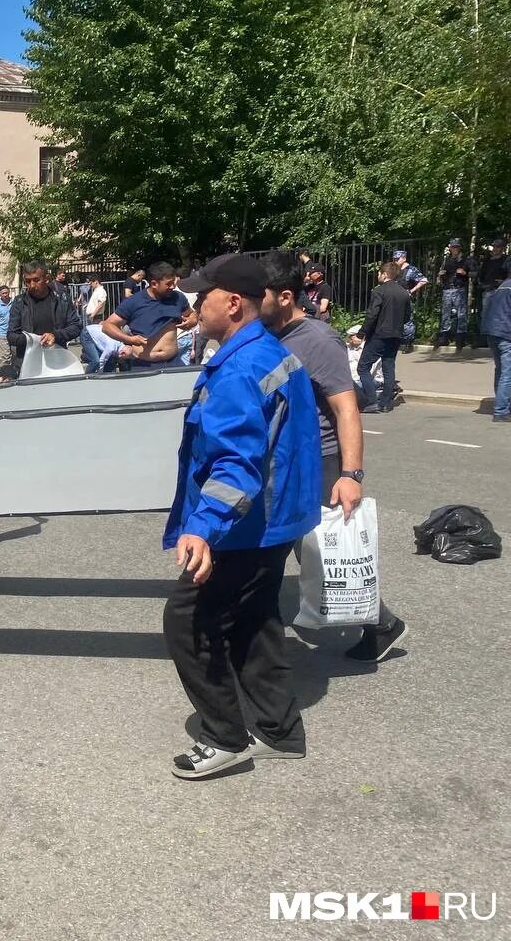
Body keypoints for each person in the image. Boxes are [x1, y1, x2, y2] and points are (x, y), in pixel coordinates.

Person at [160, 253, 320, 780]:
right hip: (275, 519)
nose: (193, 303)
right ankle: (278, 730)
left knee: (188, 619)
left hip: (244, 525)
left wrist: (202, 528)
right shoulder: (269, 352)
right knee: (255, 621)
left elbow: (237, 461)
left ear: (232, 303)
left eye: (201, 295)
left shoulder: (238, 366)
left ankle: (225, 736)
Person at [260, 252, 408, 663]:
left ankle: (381, 623)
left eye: (261, 295)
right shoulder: (267, 334)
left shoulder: (317, 339)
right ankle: (381, 623)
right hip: (285, 461)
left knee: (321, 552)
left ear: (286, 296)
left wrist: (351, 473)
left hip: (320, 461)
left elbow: (346, 408)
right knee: (309, 552)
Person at [101, 260, 195, 369]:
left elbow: (192, 314)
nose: (173, 287)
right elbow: (107, 326)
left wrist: (192, 320)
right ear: (154, 283)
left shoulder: (178, 298)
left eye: (174, 282)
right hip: (143, 365)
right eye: (168, 284)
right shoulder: (134, 302)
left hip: (173, 363)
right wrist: (129, 339)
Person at [6, 261, 82, 375]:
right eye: (28, 281)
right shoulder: (19, 302)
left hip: (57, 364)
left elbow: (76, 326)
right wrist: (33, 340)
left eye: (36, 280)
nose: (31, 285)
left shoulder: (62, 300)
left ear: (47, 278)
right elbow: (11, 335)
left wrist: (55, 336)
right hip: (28, 365)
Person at [359, 262, 411, 414]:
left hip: (379, 334)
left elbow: (372, 315)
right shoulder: (403, 293)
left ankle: (372, 401)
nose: (378, 275)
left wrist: (362, 333)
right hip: (396, 334)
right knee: (389, 367)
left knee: (363, 367)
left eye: (379, 273)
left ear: (385, 274)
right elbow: (407, 316)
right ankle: (386, 403)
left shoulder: (379, 291)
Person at [481, 273, 511, 422]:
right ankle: (501, 410)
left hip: (492, 332)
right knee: (508, 373)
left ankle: (502, 405)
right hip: (506, 333)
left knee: (501, 371)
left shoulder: (502, 286)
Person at [435, 238, 474, 351]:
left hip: (459, 289)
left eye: (456, 247)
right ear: (450, 248)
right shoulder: (446, 260)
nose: (455, 249)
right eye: (453, 247)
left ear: (459, 247)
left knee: (461, 314)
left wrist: (465, 273)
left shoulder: (466, 260)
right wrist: (440, 274)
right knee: (446, 314)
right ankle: (444, 336)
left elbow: (475, 273)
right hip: (447, 289)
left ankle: (460, 337)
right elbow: (440, 274)